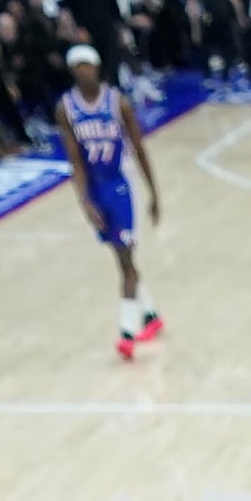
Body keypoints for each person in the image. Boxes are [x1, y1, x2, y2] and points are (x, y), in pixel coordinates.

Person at [58, 46, 162, 360]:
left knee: (126, 260)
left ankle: (127, 333)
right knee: (121, 257)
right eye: (78, 66)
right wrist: (85, 202)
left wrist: (154, 193)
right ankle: (150, 315)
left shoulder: (118, 102)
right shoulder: (65, 108)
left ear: (98, 67)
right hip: (96, 188)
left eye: (87, 65)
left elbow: (140, 149)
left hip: (121, 184)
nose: (83, 71)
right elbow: (75, 160)